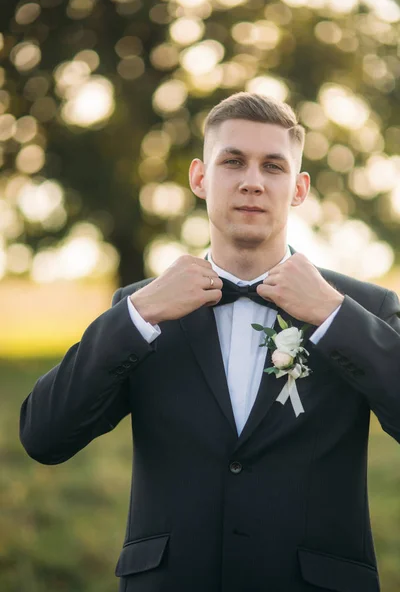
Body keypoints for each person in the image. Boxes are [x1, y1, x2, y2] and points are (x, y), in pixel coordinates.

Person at [20, 92, 400, 592]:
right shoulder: (142, 309)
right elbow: (45, 437)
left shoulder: (362, 308)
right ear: (200, 177)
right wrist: (138, 315)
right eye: (233, 161)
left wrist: (333, 317)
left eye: (273, 166)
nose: (252, 182)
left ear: (300, 188)